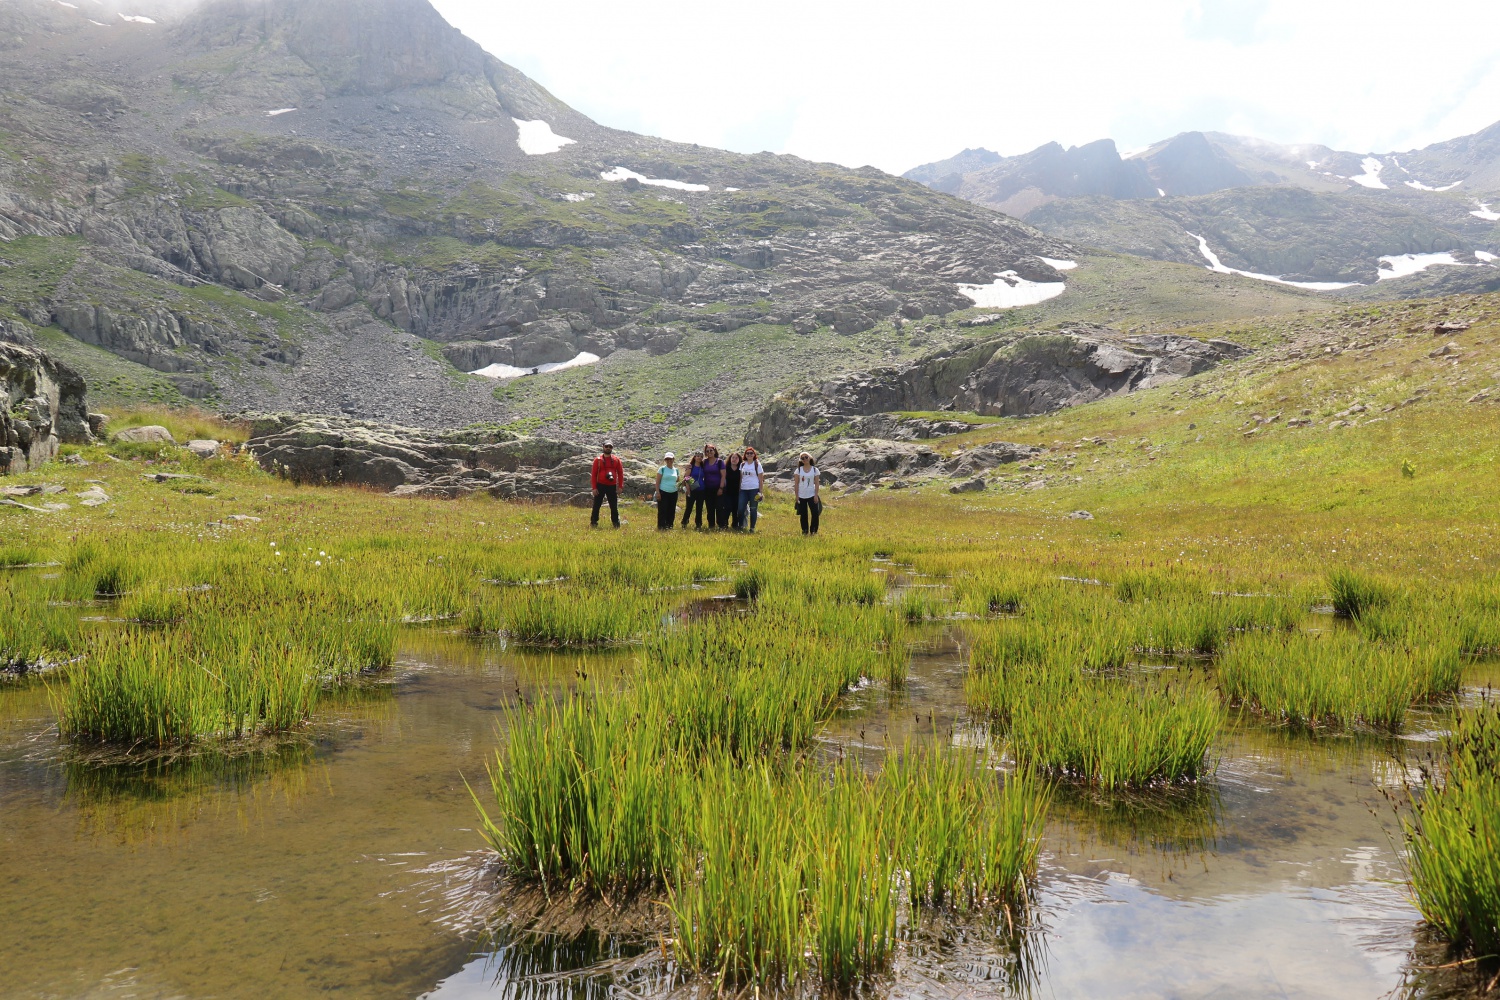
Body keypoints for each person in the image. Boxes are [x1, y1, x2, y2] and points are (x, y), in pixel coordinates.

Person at [590, 439, 624, 528]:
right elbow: (593, 475)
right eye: (606, 446)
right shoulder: (597, 460)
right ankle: (593, 522)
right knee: (596, 505)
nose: (608, 448)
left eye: (610, 447)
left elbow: (620, 473)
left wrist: (620, 486)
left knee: (613, 506)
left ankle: (616, 524)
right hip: (600, 485)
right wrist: (594, 488)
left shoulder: (616, 460)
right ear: (603, 447)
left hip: (612, 486)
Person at [793, 451, 822, 536]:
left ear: (810, 458)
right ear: (801, 460)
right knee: (803, 514)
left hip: (812, 494)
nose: (805, 459)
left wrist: (816, 495)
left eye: (806, 457)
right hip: (801, 495)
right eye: (802, 458)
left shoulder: (814, 470)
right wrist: (797, 496)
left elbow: (816, 483)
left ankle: (813, 531)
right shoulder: (798, 470)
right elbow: (796, 484)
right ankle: (805, 531)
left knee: (815, 513)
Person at [737, 446, 765, 532]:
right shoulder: (742, 464)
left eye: (751, 453)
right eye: (747, 453)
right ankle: (741, 526)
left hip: (754, 489)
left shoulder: (757, 464)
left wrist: (760, 492)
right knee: (741, 508)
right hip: (743, 489)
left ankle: (752, 528)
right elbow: (741, 478)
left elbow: (761, 479)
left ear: (754, 455)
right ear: (745, 454)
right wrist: (739, 489)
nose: (749, 455)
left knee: (753, 509)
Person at [654, 452, 681, 530]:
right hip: (663, 492)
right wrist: (658, 492)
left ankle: (669, 526)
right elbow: (657, 482)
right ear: (665, 460)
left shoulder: (676, 470)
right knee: (663, 510)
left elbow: (677, 480)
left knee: (671, 510)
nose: (669, 460)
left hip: (673, 492)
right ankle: (661, 527)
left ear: (673, 459)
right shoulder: (662, 469)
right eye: (667, 459)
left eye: (670, 459)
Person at [700, 446, 725, 529]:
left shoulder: (720, 462)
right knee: (710, 508)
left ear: (714, 451)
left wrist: (721, 488)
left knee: (719, 507)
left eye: (711, 450)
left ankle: (721, 525)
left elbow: (723, 476)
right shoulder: (704, 462)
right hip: (707, 489)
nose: (709, 452)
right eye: (707, 451)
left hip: (718, 488)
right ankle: (711, 526)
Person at [681, 452, 708, 529]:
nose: (699, 458)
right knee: (689, 507)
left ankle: (698, 524)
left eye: (701, 456)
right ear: (694, 457)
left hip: (701, 490)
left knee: (699, 508)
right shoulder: (691, 467)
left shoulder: (702, 467)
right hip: (692, 490)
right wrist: (688, 489)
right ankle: (684, 522)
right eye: (697, 456)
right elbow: (686, 478)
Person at [720, 451, 742, 530]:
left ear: (739, 459)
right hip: (727, 492)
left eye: (736, 458)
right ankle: (724, 524)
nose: (734, 459)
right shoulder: (726, 468)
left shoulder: (741, 469)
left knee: (736, 509)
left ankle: (735, 525)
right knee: (727, 508)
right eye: (733, 458)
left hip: (737, 492)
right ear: (730, 459)